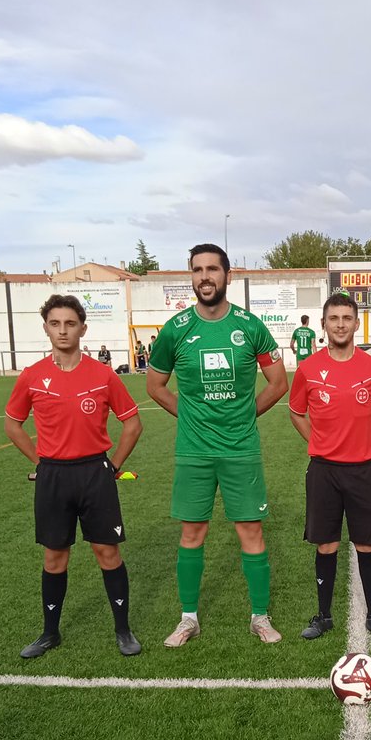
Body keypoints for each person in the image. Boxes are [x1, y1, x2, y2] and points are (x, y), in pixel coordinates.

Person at [147, 243, 288, 646]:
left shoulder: (250, 326)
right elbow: (155, 386)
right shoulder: (175, 329)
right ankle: (188, 618)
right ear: (191, 276)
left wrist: (245, 415)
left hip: (240, 448)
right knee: (192, 532)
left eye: (212, 269)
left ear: (228, 275)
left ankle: (259, 616)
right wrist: (191, 416)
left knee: (250, 531)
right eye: (197, 270)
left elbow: (279, 383)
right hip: (194, 450)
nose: (204, 276)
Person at [4, 294, 143, 658]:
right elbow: (12, 425)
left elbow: (132, 423)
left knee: (107, 552)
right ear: (46, 328)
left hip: (95, 474)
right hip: (53, 477)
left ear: (83, 328)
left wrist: (113, 465)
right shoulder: (32, 376)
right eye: (55, 324)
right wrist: (40, 461)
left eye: (70, 323)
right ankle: (50, 633)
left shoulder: (103, 375)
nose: (63, 330)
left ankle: (123, 630)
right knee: (55, 557)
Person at [289, 294, 371, 642]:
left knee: (367, 544)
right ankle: (323, 616)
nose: (340, 324)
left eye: (346, 318)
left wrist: (367, 444)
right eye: (333, 318)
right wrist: (319, 442)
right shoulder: (307, 369)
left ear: (356, 323)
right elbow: (296, 412)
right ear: (323, 324)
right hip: (324, 471)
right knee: (326, 545)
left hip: (364, 470)